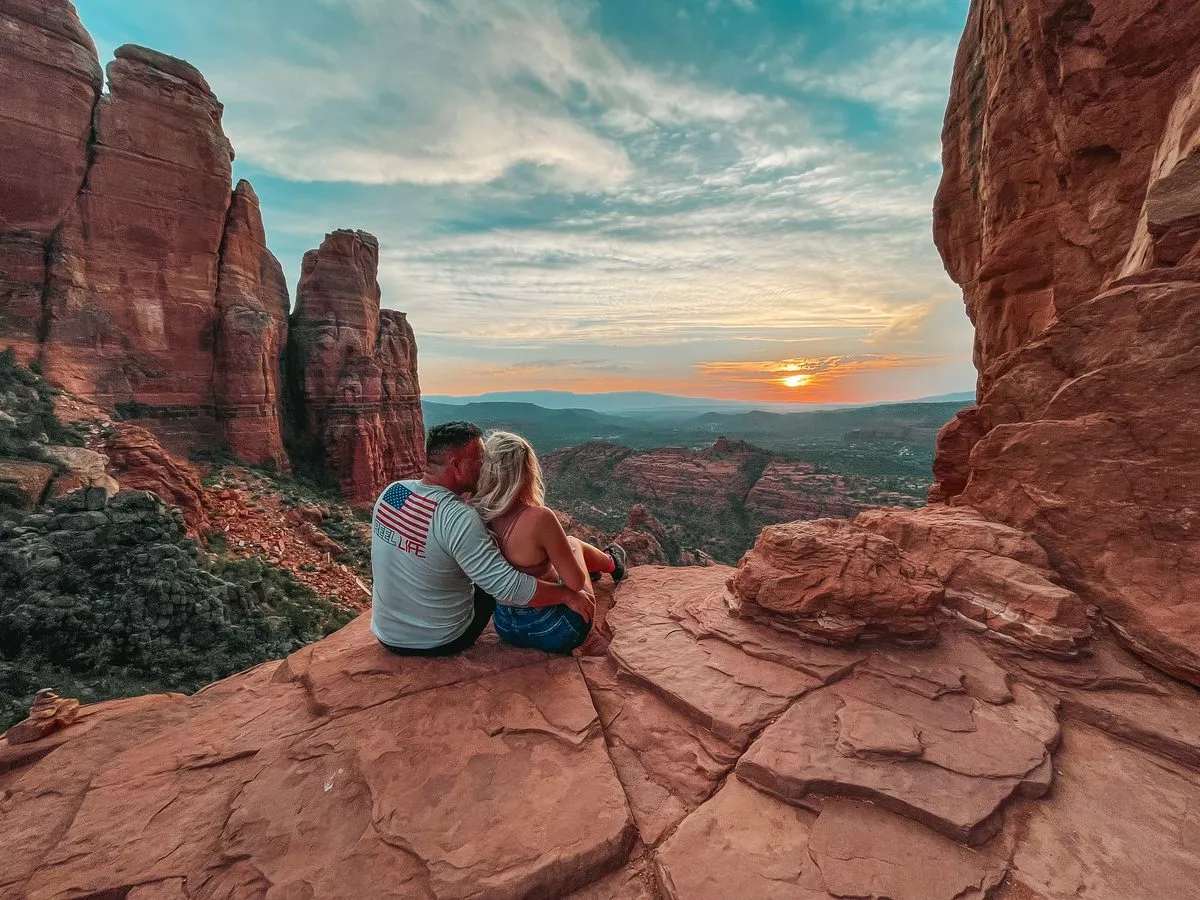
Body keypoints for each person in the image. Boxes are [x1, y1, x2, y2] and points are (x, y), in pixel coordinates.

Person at [370, 421, 594, 656]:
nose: (485, 468)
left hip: (386, 634)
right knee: (496, 571)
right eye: (479, 461)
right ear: (457, 466)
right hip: (441, 639)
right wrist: (566, 595)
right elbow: (507, 587)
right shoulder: (458, 517)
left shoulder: (394, 492)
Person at [472, 430, 627, 654]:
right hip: (556, 629)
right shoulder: (539, 518)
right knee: (574, 543)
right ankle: (612, 563)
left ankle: (607, 562)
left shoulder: (475, 513)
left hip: (506, 626)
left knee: (568, 548)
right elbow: (574, 583)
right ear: (526, 472)